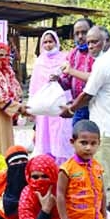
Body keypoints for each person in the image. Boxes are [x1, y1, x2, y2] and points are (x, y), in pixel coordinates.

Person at [62, 26, 110, 214]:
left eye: (95, 42)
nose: (90, 45)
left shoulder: (104, 63)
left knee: (101, 170)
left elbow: (87, 94)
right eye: (89, 42)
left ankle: (96, 210)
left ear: (106, 41)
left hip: (108, 125)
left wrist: (70, 109)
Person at [30, 30, 74, 165]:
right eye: (45, 42)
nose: (48, 45)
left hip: (59, 102)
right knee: (45, 133)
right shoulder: (39, 62)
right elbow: (34, 84)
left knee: (61, 132)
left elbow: (68, 80)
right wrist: (32, 107)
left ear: (56, 42)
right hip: (44, 106)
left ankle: (62, 163)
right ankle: (46, 163)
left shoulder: (64, 58)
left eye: (51, 41)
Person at [55, 18, 95, 125]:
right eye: (77, 33)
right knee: (78, 139)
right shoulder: (73, 54)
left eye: (84, 32)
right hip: (78, 107)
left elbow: (95, 79)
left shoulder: (97, 54)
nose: (80, 36)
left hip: (96, 107)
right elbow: (67, 83)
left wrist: (71, 71)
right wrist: (57, 80)